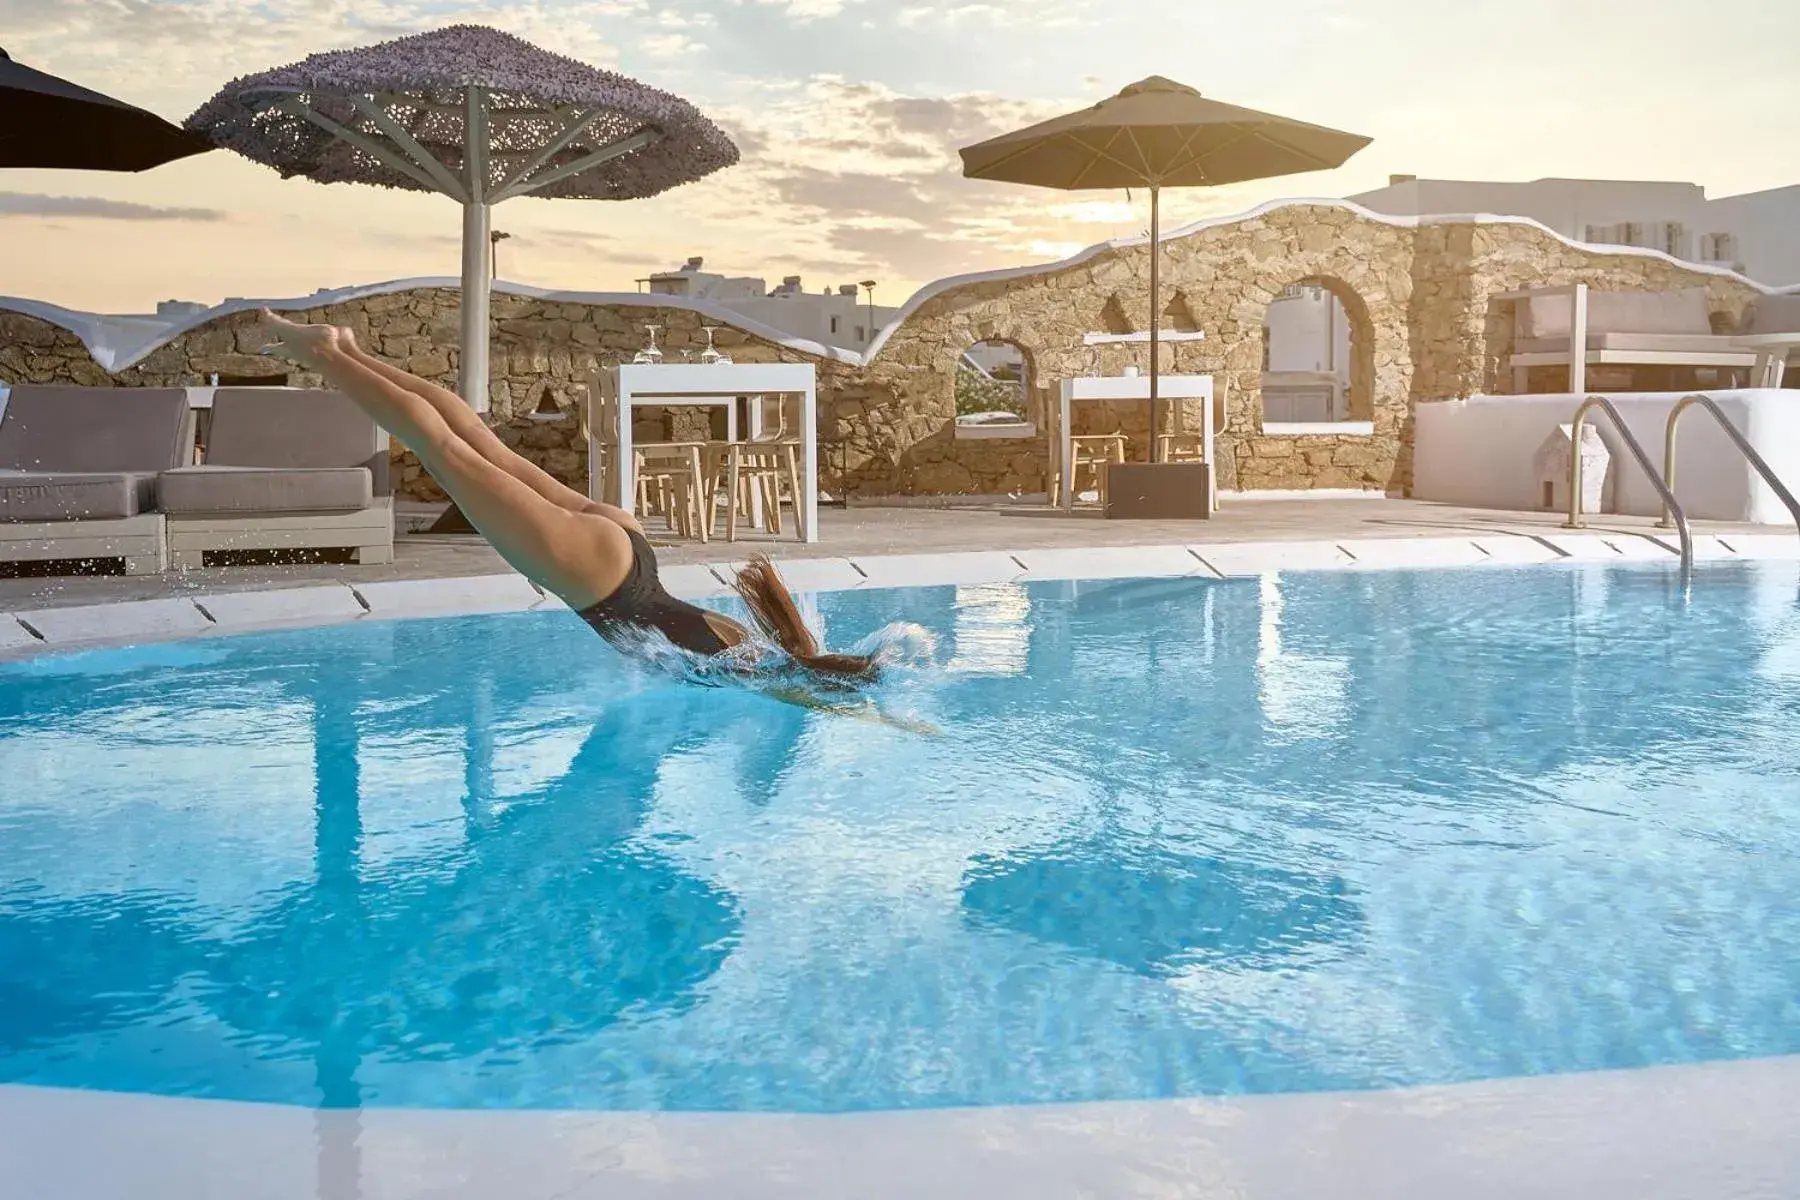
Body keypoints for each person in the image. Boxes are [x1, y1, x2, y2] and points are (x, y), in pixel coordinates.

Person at [258, 310, 904, 717]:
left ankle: (347, 349)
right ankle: (326, 357)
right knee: (444, 450)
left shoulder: (771, 646)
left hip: (626, 545)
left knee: (480, 443)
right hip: (594, 576)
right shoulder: (763, 674)